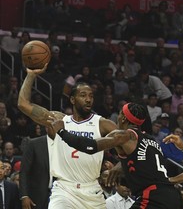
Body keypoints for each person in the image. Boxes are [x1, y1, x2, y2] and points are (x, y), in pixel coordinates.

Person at [17, 64, 117, 209]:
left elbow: (127, 141)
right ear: (72, 100)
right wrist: (31, 75)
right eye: (83, 96)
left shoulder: (102, 124)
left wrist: (120, 166)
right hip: (64, 189)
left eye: (91, 96)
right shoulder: (59, 120)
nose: (88, 99)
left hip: (91, 188)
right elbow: (23, 104)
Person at [49, 102, 181, 209]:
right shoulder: (151, 140)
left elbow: (90, 147)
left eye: (119, 114)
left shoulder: (124, 135)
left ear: (123, 117)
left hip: (152, 197)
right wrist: (121, 165)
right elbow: (144, 162)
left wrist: (61, 131)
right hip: (173, 195)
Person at [19, 127, 54, 209]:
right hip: (37, 196)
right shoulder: (34, 144)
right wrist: (24, 195)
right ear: (46, 128)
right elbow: (24, 171)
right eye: (52, 126)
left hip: (60, 194)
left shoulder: (65, 144)